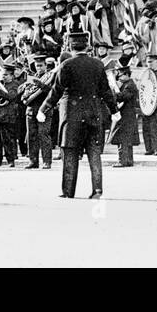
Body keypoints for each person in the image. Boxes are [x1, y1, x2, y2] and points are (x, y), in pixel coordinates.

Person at [37, 30, 117, 199]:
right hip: (93, 114)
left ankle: (68, 191)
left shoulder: (66, 65)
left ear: (71, 47)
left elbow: (56, 91)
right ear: (87, 46)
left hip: (72, 115)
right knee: (94, 154)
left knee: (70, 154)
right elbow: (106, 91)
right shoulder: (97, 64)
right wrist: (115, 110)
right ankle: (97, 190)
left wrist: (43, 109)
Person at [110, 64, 140, 167]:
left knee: (122, 139)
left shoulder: (129, 85)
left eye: (121, 75)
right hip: (127, 115)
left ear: (127, 75)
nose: (119, 77)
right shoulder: (128, 84)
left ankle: (122, 161)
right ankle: (128, 161)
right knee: (127, 140)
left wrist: (113, 93)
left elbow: (123, 97)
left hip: (126, 116)